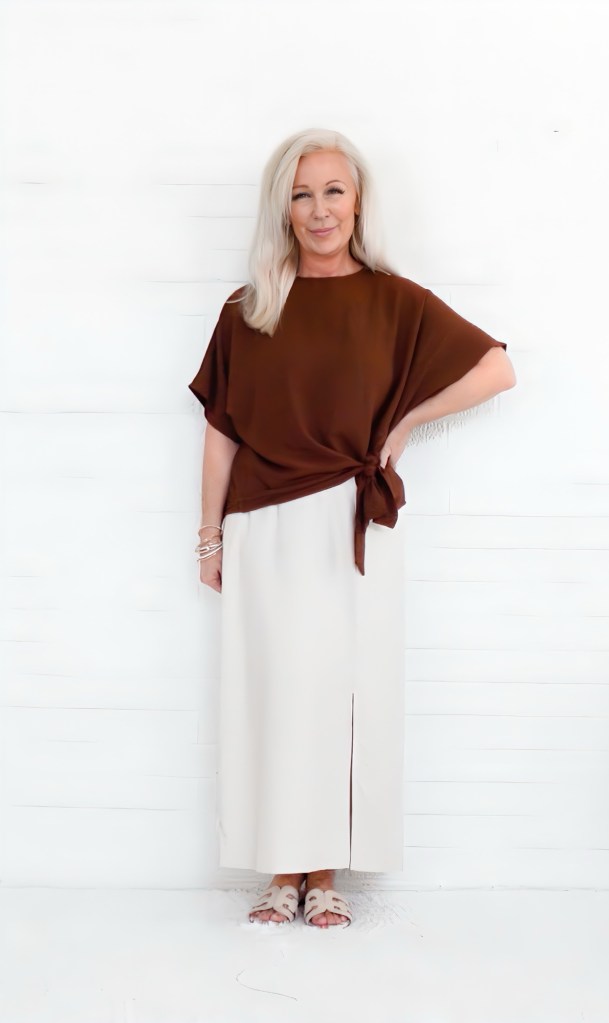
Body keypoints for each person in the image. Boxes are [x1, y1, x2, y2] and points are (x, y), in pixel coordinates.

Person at [188, 128, 516, 929]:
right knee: (273, 690)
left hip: (351, 523)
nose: (319, 208)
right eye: (301, 194)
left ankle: (324, 873)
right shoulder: (250, 306)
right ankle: (278, 872)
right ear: (284, 209)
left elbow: (497, 368)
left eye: (333, 190)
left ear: (358, 200)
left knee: (339, 695)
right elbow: (222, 429)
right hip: (262, 525)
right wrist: (208, 537)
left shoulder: (394, 301)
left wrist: (406, 418)